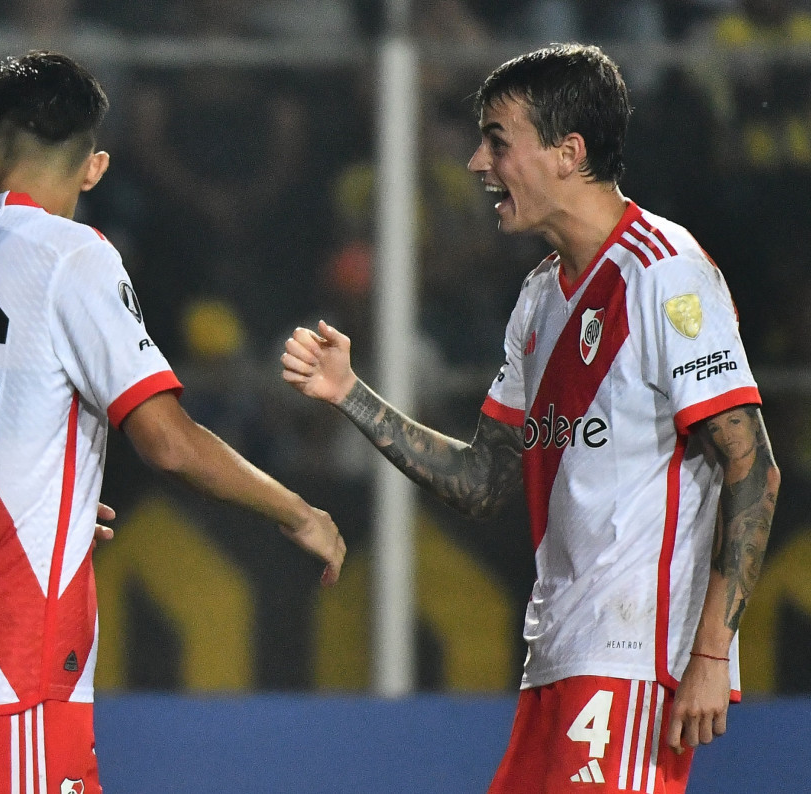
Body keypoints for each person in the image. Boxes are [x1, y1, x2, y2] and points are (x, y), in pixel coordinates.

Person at [0, 51, 346, 792]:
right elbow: (167, 441)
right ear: (94, 168)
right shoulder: (73, 257)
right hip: (14, 657)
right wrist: (296, 509)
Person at [282, 44, 779, 794]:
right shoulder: (541, 297)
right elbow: (483, 479)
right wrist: (350, 392)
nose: (479, 163)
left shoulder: (665, 271)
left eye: (498, 140)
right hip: (559, 655)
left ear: (567, 151)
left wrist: (710, 654)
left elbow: (752, 465)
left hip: (636, 659)